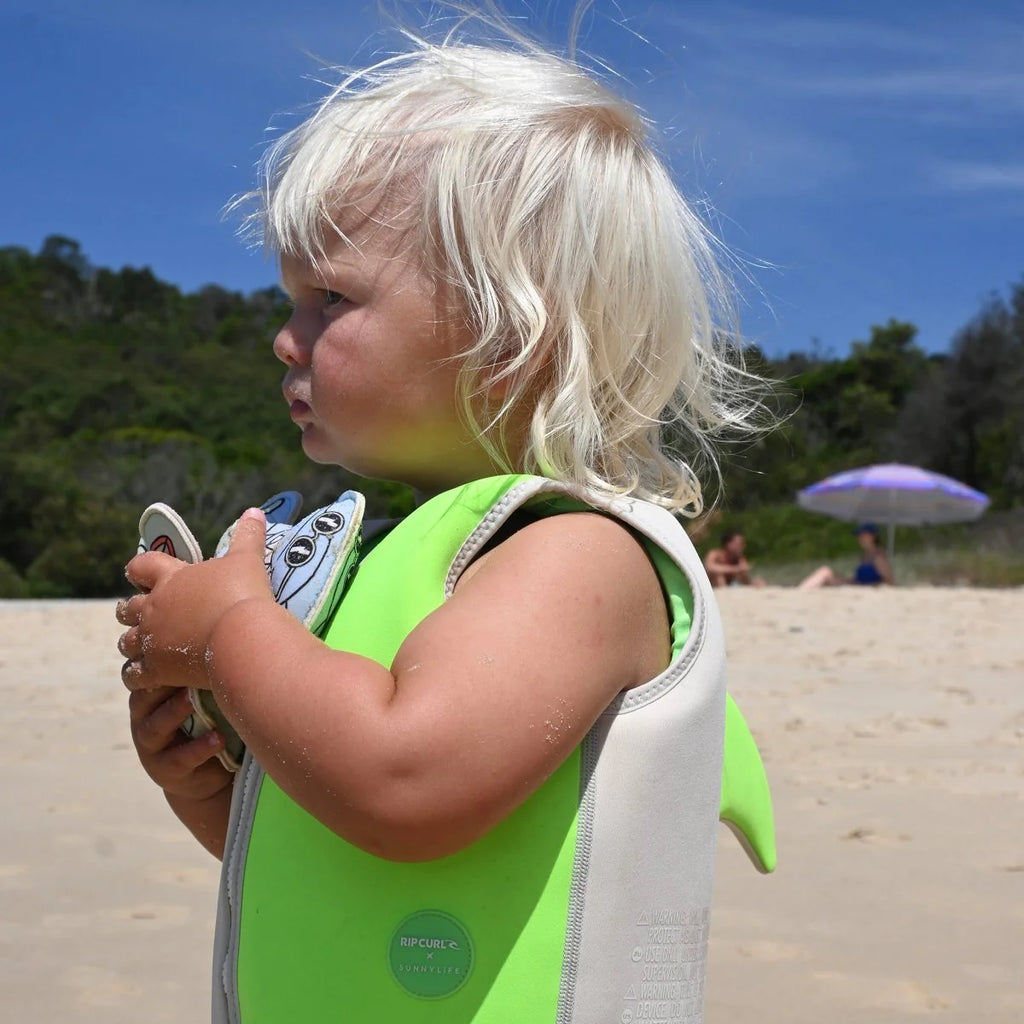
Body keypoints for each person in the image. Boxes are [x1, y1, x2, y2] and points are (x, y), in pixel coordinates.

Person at [115, 27, 770, 1023]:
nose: (282, 337)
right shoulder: (396, 559)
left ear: (514, 331)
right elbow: (349, 867)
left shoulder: (576, 556)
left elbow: (400, 783)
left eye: (329, 297)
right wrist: (211, 784)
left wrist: (230, 634)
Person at [798, 523, 894, 589]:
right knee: (827, 572)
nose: (859, 538)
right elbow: (859, 579)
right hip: (857, 585)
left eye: (862, 535)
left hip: (864, 589)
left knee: (825, 572)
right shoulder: (865, 555)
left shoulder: (878, 556)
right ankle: (801, 591)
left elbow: (888, 581)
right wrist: (847, 580)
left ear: (872, 536)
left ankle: (799, 592)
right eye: (859, 535)